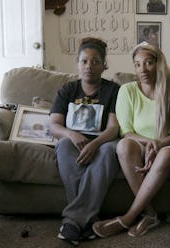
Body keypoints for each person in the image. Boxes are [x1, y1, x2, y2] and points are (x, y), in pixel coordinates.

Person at [92, 42, 170, 238]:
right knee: (123, 146)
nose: (143, 69)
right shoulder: (127, 91)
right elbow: (126, 131)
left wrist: (159, 144)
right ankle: (150, 214)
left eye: (148, 63)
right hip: (139, 144)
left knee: (165, 154)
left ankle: (128, 217)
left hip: (166, 145)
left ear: (159, 64)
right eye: (137, 64)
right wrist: (149, 143)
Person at [49, 37, 120, 245]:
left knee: (109, 151)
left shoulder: (113, 90)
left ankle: (73, 222)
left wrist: (95, 144)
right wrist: (72, 134)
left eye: (95, 61)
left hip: (104, 142)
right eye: (84, 61)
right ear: (78, 64)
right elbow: (54, 126)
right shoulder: (67, 90)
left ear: (104, 65)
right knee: (62, 145)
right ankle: (87, 221)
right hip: (73, 142)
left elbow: (114, 127)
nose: (89, 66)